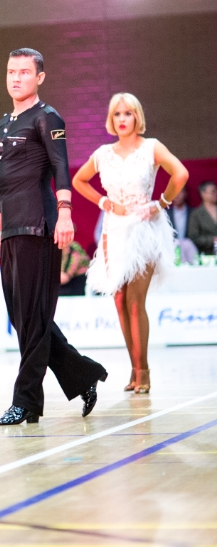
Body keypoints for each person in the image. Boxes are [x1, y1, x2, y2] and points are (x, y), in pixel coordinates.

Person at [0, 48, 108, 426]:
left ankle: (25, 401)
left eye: (25, 72)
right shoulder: (3, 123)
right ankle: (83, 375)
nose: (16, 77)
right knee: (24, 318)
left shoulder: (47, 117)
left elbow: (60, 165)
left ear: (39, 77)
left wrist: (65, 212)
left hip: (39, 225)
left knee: (34, 318)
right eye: (12, 71)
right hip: (9, 229)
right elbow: (1, 182)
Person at [73, 93, 188, 394]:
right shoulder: (103, 153)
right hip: (114, 231)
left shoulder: (151, 147)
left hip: (144, 229)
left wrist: (160, 203)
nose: (122, 119)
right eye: (117, 114)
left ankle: (144, 371)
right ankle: (134, 369)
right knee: (119, 300)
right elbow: (78, 181)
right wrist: (104, 202)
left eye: (128, 113)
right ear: (111, 120)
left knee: (135, 302)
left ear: (137, 117)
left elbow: (181, 174)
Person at [167, 188, 197, 264]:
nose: (177, 196)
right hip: (171, 251)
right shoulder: (165, 214)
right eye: (174, 193)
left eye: (179, 193)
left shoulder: (194, 212)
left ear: (185, 194)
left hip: (191, 249)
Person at [188, 181, 217, 256]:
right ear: (203, 193)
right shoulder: (196, 214)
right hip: (206, 255)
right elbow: (193, 238)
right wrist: (212, 240)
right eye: (213, 191)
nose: (216, 193)